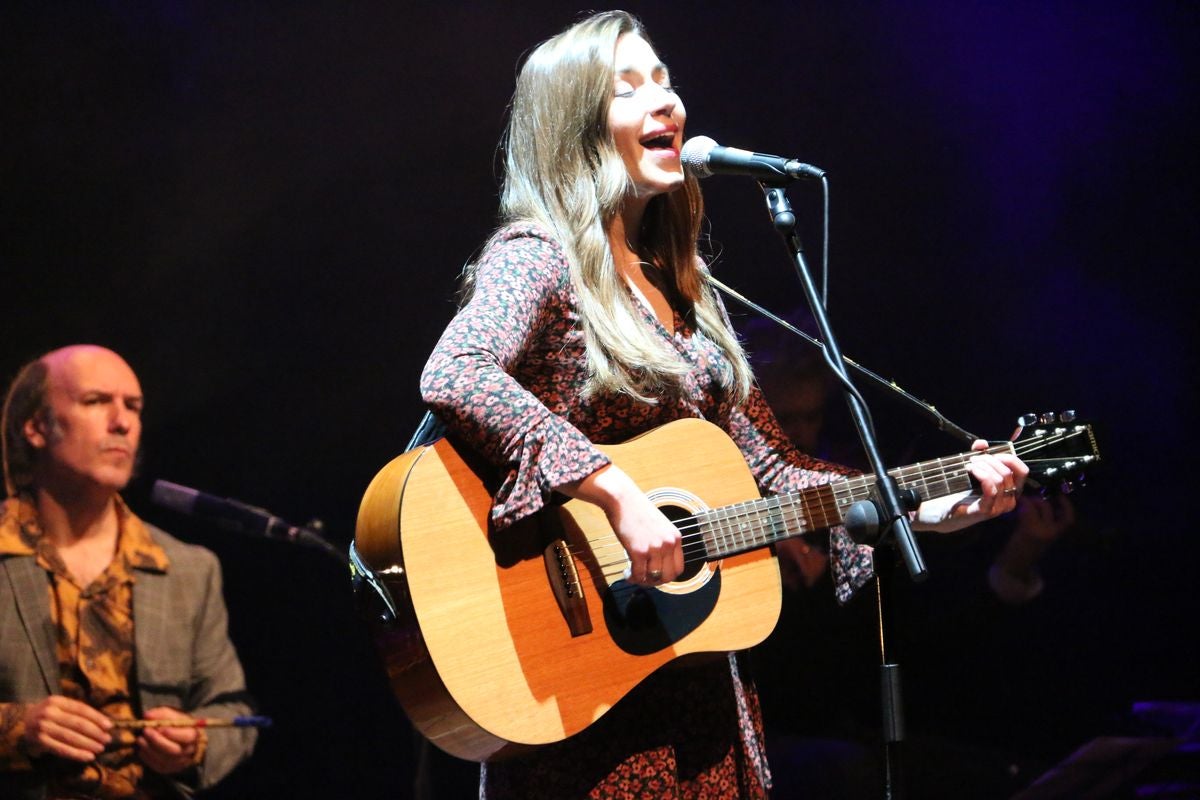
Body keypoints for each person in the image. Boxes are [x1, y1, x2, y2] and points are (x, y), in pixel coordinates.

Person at [418, 10, 1028, 798]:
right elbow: (456, 370)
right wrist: (614, 492)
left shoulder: (684, 292)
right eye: (629, 89)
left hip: (701, 699)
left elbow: (771, 470)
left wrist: (920, 505)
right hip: (583, 699)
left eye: (665, 81)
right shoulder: (538, 256)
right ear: (574, 126)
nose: (666, 102)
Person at [0, 345, 257, 799]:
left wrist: (194, 743)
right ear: (37, 427)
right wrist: (19, 727)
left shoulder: (188, 569)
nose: (122, 422)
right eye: (96, 401)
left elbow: (233, 713)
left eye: (133, 407)